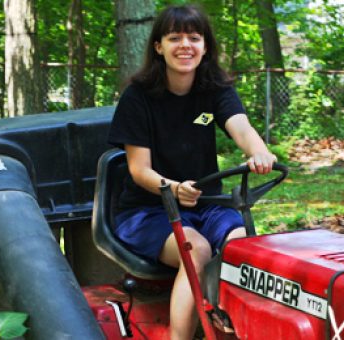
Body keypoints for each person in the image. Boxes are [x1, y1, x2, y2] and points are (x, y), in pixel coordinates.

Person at [107, 4, 276, 340]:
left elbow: (240, 127)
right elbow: (139, 170)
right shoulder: (137, 98)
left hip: (207, 205)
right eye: (174, 37)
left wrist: (259, 152)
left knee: (245, 247)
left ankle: (236, 330)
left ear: (206, 46)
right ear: (159, 46)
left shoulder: (214, 90)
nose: (185, 45)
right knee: (195, 249)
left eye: (194, 38)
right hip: (147, 210)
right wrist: (173, 187)